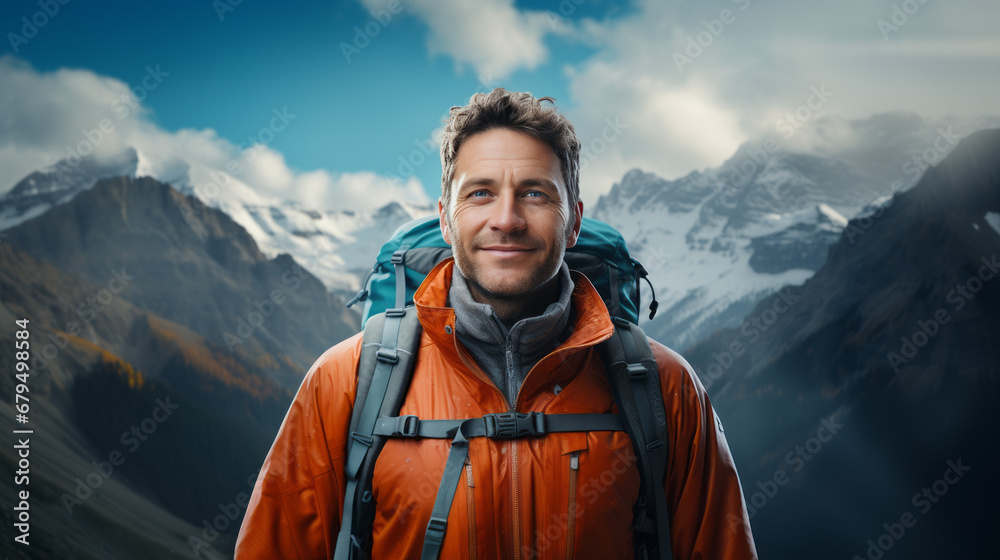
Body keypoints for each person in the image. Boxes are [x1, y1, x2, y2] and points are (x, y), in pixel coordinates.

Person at [235, 88, 758, 559]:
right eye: (480, 192)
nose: (506, 219)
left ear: (572, 220)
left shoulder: (663, 388)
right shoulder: (347, 381)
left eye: (534, 193)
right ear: (445, 217)